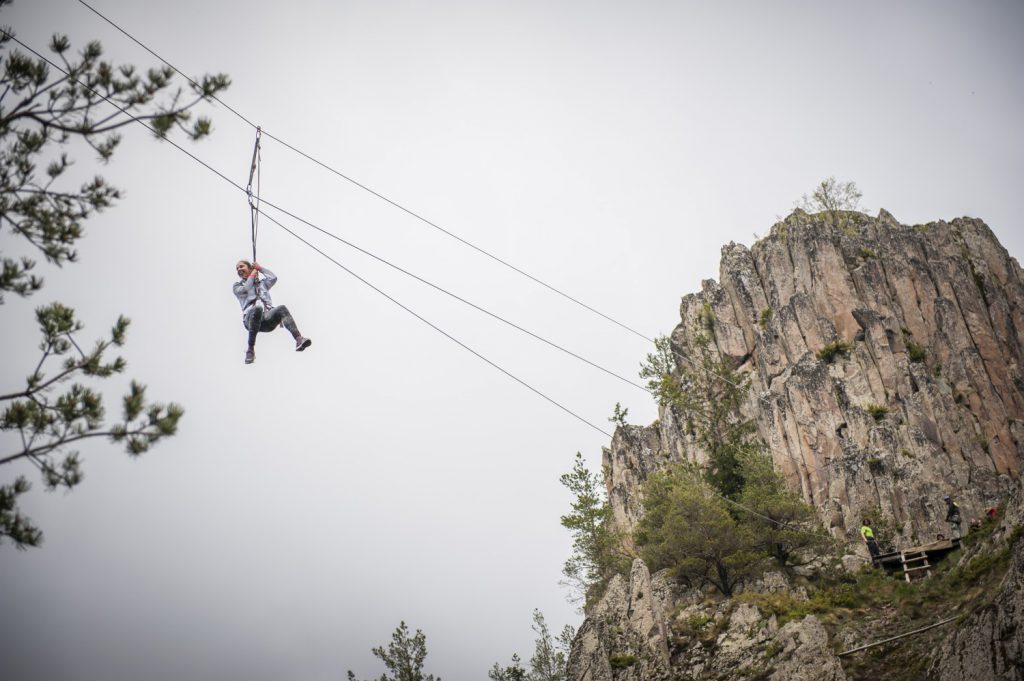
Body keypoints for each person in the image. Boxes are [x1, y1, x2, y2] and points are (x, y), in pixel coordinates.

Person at [233, 260, 311, 364]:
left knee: (281, 308)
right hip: (250, 320)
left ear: (249, 268)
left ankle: (298, 339)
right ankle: (250, 349)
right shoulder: (237, 286)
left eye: (241, 267)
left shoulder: (262, 284)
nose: (239, 270)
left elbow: (273, 278)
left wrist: (259, 268)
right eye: (237, 268)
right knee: (257, 309)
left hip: (267, 320)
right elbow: (246, 288)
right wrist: (253, 274)